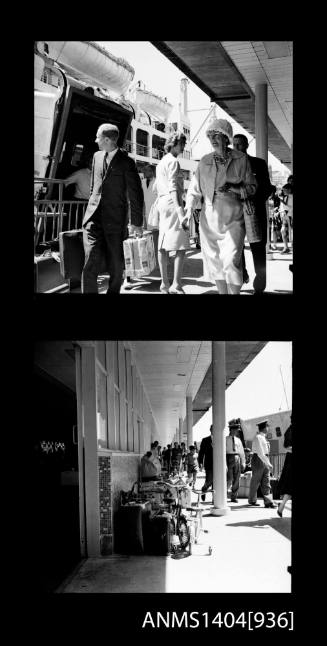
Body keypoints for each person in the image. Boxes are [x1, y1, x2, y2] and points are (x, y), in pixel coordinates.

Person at [185, 118, 257, 294]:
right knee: (214, 261)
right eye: (210, 136)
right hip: (209, 218)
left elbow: (252, 187)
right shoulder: (204, 161)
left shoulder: (241, 159)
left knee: (231, 259)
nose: (213, 139)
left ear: (227, 137)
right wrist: (187, 212)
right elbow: (194, 191)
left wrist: (234, 188)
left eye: (217, 135)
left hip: (234, 217)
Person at [81, 123, 144, 293]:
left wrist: (137, 223)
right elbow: (94, 186)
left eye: (98, 137)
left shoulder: (127, 163)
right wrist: (90, 206)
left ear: (107, 140)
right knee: (90, 260)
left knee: (116, 264)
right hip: (93, 219)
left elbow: (136, 195)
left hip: (115, 220)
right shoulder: (96, 156)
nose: (96, 140)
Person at [233, 134, 274, 294]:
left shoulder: (259, 163)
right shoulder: (230, 166)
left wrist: (250, 198)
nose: (236, 148)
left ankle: (260, 285)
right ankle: (242, 274)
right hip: (235, 212)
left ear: (246, 146)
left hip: (254, 211)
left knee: (258, 249)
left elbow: (267, 188)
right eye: (234, 145)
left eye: (239, 145)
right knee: (235, 246)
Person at [155, 131, 190, 294]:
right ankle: (176, 284)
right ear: (175, 144)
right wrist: (180, 211)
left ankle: (164, 284)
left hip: (161, 202)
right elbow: (174, 187)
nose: (183, 147)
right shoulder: (174, 162)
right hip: (172, 203)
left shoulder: (161, 162)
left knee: (162, 244)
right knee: (181, 244)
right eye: (182, 144)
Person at [248, 420, 277, 508]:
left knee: (266, 481)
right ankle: (252, 500)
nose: (268, 428)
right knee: (256, 481)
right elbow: (260, 453)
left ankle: (268, 501)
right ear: (264, 427)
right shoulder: (258, 437)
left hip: (264, 459)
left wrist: (267, 462)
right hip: (258, 459)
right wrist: (268, 463)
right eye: (267, 426)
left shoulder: (263, 437)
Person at [226, 420, 246, 502]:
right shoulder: (225, 439)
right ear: (231, 430)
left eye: (237, 430)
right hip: (228, 457)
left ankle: (234, 496)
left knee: (237, 478)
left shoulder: (238, 440)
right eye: (235, 430)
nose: (236, 432)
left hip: (237, 457)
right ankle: (224, 493)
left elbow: (241, 452)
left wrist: (243, 462)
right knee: (229, 478)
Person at [277, 417, 292, 517]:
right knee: (290, 486)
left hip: (290, 460)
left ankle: (281, 506)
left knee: (290, 486)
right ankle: (281, 506)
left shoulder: (289, 430)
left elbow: (286, 446)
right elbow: (286, 446)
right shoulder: (290, 431)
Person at [198, 425, 214, 501]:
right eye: (213, 429)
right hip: (209, 464)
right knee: (209, 480)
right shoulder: (205, 440)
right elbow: (201, 453)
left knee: (217, 482)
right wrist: (200, 462)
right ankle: (204, 489)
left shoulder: (221, 439)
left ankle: (215, 499)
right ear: (210, 430)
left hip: (219, 464)